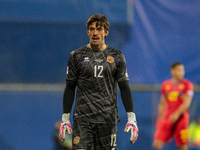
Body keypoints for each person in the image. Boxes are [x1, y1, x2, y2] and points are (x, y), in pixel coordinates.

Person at [58, 14, 138, 150]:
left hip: (107, 119)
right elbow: (70, 87)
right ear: (87, 31)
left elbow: (124, 87)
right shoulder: (76, 56)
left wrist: (131, 118)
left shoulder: (117, 56)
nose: (95, 32)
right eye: (92, 29)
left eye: (99, 29)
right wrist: (65, 118)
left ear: (106, 32)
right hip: (83, 119)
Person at [153, 62, 194, 150]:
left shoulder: (188, 85)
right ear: (173, 71)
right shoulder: (165, 85)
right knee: (157, 144)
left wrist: (177, 114)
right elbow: (162, 104)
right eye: (179, 70)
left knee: (182, 146)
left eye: (182, 70)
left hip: (181, 119)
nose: (182, 72)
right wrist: (159, 119)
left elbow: (186, 103)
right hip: (167, 117)